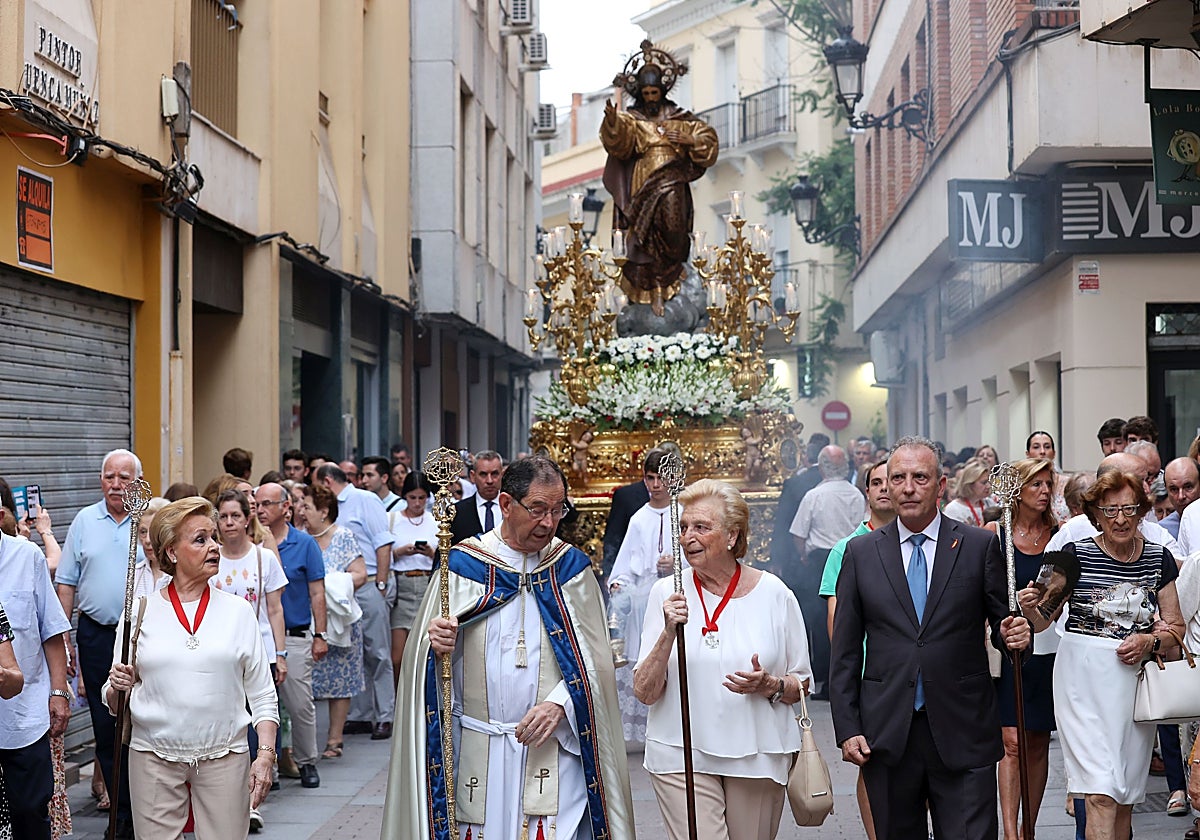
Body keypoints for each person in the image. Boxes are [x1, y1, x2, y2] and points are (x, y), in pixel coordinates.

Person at [381, 456, 635, 840]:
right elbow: (423, 663)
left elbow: (595, 663)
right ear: (505, 504)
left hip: (551, 749)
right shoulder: (464, 565)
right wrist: (437, 645)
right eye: (537, 509)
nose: (549, 522)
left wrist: (562, 704)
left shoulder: (570, 569)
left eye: (557, 510)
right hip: (477, 748)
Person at [830, 436, 1032, 840]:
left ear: (940, 486)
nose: (907, 488)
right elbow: (845, 652)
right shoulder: (861, 553)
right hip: (887, 733)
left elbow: (1003, 630)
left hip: (963, 728)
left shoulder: (978, 546)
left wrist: (1016, 635)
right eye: (897, 478)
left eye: (919, 477)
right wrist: (847, 726)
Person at [635, 478, 810, 840]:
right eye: (683, 527)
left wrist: (771, 685)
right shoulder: (666, 593)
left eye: (701, 527)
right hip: (680, 753)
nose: (687, 537)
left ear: (732, 536)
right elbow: (645, 692)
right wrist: (668, 631)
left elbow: (801, 685)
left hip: (758, 753)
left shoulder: (775, 594)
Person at [1019, 468, 1184, 840]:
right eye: (1110, 511)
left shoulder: (1160, 559)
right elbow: (1042, 621)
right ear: (1094, 514)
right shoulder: (1070, 555)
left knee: (1124, 794)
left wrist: (1149, 642)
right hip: (1082, 682)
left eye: (1128, 509)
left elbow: (1175, 628)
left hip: (1134, 685)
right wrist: (1030, 606)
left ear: (1142, 511)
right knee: (1100, 794)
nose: (1121, 519)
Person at [102, 497, 279, 839]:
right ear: (171, 551)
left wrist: (265, 756)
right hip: (152, 756)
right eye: (201, 540)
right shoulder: (139, 612)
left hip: (225, 756)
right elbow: (113, 696)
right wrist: (116, 687)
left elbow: (262, 694)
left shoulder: (238, 612)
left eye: (214, 538)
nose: (215, 547)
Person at [54, 448, 142, 837]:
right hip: (95, 635)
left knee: (140, 724)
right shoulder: (85, 520)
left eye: (124, 477)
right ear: (100, 480)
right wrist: (65, 640)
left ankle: (146, 811)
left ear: (137, 482)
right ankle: (120, 819)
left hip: (140, 637)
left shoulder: (147, 520)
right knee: (106, 727)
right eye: (110, 476)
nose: (116, 484)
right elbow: (66, 584)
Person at [601, 42, 719, 313]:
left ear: (663, 90)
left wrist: (689, 139)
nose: (651, 98)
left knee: (674, 230)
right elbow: (618, 142)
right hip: (642, 181)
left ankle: (673, 275)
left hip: (674, 181)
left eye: (655, 92)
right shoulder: (633, 119)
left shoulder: (682, 118)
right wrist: (611, 122)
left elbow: (708, 140)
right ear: (640, 94)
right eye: (646, 93)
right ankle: (654, 287)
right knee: (646, 237)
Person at [818, 458, 894, 840]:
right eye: (875, 482)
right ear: (866, 491)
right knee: (874, 765)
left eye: (889, 481)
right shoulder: (846, 549)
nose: (884, 488)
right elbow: (838, 623)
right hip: (869, 675)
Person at [984, 458, 1058, 840]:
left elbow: (1065, 591)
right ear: (1018, 489)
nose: (1045, 491)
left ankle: (1030, 827)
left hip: (1046, 650)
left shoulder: (1059, 535)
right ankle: (1010, 832)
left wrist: (1042, 602)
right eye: (1037, 484)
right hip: (1007, 650)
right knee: (1011, 742)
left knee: (1036, 742)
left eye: (1049, 483)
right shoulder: (995, 535)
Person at [0, 521, 71, 839]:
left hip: (25, 715)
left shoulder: (27, 556)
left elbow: (51, 629)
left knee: (29, 812)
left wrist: (58, 692)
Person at [315, 463, 395, 742]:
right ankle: (360, 715)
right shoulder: (331, 509)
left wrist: (382, 584)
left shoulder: (364, 499)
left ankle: (385, 714)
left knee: (378, 651)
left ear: (327, 481)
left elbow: (383, 542)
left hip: (368, 581)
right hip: (338, 590)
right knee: (352, 652)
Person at [255, 482, 327, 789]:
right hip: (257, 635)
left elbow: (317, 592)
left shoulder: (304, 544)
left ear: (286, 507)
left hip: (295, 634)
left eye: (268, 504)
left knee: (299, 703)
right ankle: (267, 762)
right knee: (262, 705)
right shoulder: (249, 545)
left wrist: (320, 634)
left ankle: (306, 760)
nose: (261, 510)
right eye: (257, 504)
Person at [608, 449, 676, 747]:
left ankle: (674, 725)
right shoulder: (638, 518)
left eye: (661, 477)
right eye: (650, 477)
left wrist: (677, 565)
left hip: (676, 599)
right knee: (645, 662)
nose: (656, 484)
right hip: (643, 605)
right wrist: (618, 585)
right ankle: (647, 729)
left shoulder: (683, 513)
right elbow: (624, 567)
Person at [788, 445, 864, 699]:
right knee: (850, 617)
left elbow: (799, 532)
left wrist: (803, 555)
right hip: (852, 555)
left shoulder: (814, 496)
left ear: (820, 467)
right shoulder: (855, 494)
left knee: (822, 621)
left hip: (821, 559)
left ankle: (824, 675)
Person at [300, 483, 366, 761]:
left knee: (341, 681)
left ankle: (335, 738)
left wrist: (331, 585)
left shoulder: (344, 537)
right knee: (306, 680)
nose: (300, 511)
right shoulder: (299, 539)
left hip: (340, 619)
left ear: (323, 512)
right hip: (307, 618)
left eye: (306, 506)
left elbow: (361, 574)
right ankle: (306, 741)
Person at [386, 471, 438, 680]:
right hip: (401, 583)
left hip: (427, 581)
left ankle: (421, 698)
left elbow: (445, 557)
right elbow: (381, 554)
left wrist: (431, 553)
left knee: (425, 648)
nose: (417, 503)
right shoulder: (392, 519)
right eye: (412, 498)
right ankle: (399, 696)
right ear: (404, 497)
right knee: (397, 655)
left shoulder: (435, 521)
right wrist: (399, 552)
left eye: (422, 498)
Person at [448, 450, 505, 545]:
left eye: (494, 474)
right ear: (473, 476)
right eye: (483, 474)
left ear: (502, 475)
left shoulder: (514, 508)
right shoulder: (455, 512)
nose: (489, 480)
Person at [1026, 431, 1070, 524]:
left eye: (1047, 447)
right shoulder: (1021, 483)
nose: (1042, 452)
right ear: (1028, 454)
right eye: (1036, 447)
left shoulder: (1069, 483)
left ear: (1054, 453)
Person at [134, 497, 172, 599]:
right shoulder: (135, 573)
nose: (147, 540)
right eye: (143, 532)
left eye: (153, 532)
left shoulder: (182, 575)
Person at [941, 458, 991, 526]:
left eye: (989, 481)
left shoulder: (990, 503)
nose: (988, 486)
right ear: (970, 484)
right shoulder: (953, 509)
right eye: (984, 482)